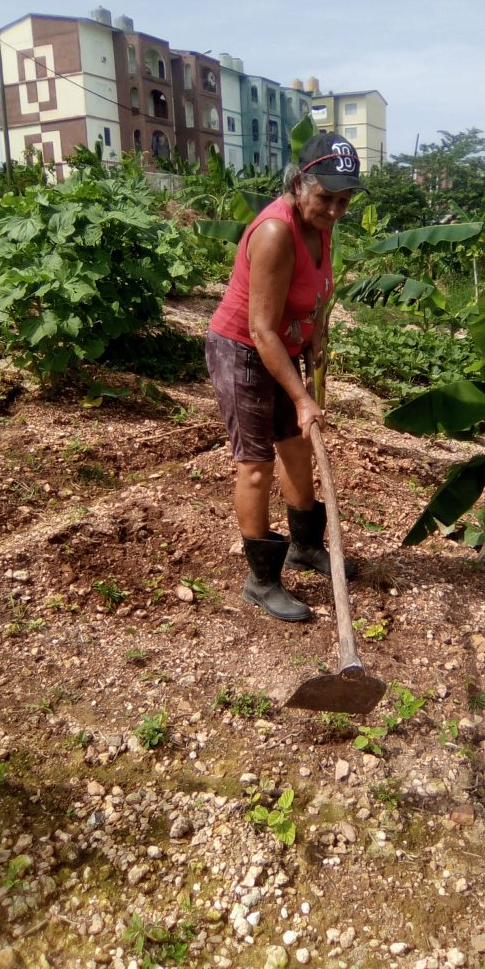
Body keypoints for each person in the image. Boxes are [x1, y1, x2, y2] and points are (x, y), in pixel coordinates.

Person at [205, 132, 363, 622]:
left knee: (297, 447)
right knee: (256, 464)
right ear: (299, 183)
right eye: (326, 197)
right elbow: (260, 328)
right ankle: (262, 580)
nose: (336, 209)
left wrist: (317, 336)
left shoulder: (323, 223)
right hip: (244, 349)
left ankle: (306, 547)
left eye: (344, 199)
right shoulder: (276, 232)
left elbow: (318, 295)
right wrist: (302, 397)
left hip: (282, 347)